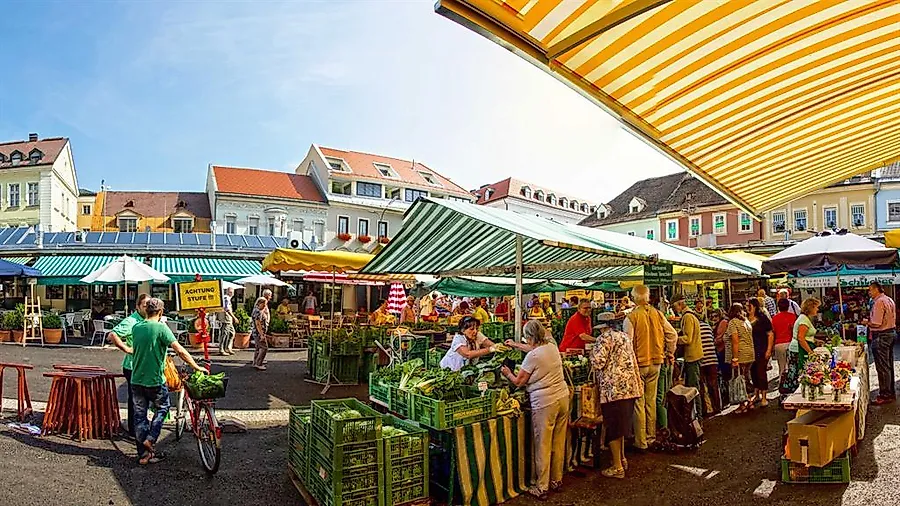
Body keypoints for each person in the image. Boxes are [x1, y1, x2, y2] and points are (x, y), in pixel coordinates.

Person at [125, 298, 205, 464]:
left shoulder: (136, 327)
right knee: (163, 407)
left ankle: (144, 455)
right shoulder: (161, 328)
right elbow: (180, 350)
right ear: (160, 312)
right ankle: (152, 438)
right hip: (154, 379)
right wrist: (196, 366)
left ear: (146, 310)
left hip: (136, 379)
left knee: (139, 416)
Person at [501, 320, 569, 496]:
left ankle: (541, 486)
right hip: (563, 397)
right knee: (558, 441)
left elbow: (519, 381)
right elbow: (534, 349)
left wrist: (507, 373)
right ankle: (556, 480)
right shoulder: (552, 347)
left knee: (543, 444)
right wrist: (515, 345)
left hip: (546, 402)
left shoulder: (533, 357)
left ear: (530, 337)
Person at [589, 313, 642, 479]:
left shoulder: (604, 338)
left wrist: (591, 354)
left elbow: (598, 362)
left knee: (613, 428)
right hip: (631, 387)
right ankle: (622, 459)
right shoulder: (625, 337)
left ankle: (617, 467)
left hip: (614, 390)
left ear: (603, 327)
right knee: (621, 427)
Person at [624, 285, 676, 450]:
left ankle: (641, 441)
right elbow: (672, 335)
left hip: (639, 364)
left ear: (633, 298)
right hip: (656, 362)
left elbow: (628, 344)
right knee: (651, 401)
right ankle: (651, 436)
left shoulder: (631, 318)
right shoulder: (658, 314)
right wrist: (669, 352)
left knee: (639, 403)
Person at [106, 293, 149, 438]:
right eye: (144, 306)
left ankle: (140, 426)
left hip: (145, 366)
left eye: (149, 305)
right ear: (137, 307)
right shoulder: (131, 321)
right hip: (132, 366)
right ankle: (133, 429)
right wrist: (127, 349)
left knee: (144, 398)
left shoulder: (150, 320)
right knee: (135, 399)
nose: (147, 308)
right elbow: (112, 335)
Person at [780, 298, 821, 395]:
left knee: (795, 372)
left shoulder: (804, 318)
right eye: (816, 307)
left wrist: (816, 341)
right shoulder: (803, 319)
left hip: (798, 348)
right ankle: (792, 394)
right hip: (798, 349)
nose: (817, 309)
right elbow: (801, 338)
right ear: (811, 307)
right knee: (796, 372)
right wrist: (810, 352)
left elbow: (806, 336)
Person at [865, 282, 896, 405]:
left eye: (870, 290)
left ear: (876, 290)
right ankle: (890, 392)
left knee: (883, 367)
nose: (869, 293)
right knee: (888, 365)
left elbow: (876, 323)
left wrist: (866, 322)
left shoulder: (878, 302)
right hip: (890, 333)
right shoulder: (888, 299)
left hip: (882, 336)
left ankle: (885, 395)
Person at [672, 295, 702, 413]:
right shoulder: (690, 315)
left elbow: (688, 338)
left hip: (692, 356)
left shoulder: (687, 317)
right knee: (693, 386)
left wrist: (675, 338)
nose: (675, 310)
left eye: (675, 306)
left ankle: (697, 417)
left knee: (693, 388)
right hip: (694, 355)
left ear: (680, 304)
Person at [726, 303, 755, 413]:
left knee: (740, 379)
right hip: (750, 353)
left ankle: (742, 404)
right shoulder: (746, 321)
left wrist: (735, 358)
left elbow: (735, 340)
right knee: (746, 377)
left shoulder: (733, 322)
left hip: (741, 354)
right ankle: (750, 401)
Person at [746, 298, 774, 407]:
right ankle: (756, 394)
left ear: (755, 306)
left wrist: (768, 350)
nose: (748, 308)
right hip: (750, 351)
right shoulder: (746, 319)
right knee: (753, 372)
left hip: (761, 349)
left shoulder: (763, 318)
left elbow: (770, 334)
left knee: (761, 372)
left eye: (750, 306)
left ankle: (764, 396)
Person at [770, 298, 797, 387]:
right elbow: (794, 330)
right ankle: (791, 384)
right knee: (791, 366)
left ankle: (782, 385)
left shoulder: (774, 318)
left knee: (781, 366)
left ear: (778, 307)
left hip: (778, 344)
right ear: (788, 306)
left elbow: (773, 332)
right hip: (790, 343)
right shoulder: (792, 316)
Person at [698, 313, 720, 416]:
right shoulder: (707, 327)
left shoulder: (695, 327)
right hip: (712, 358)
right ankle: (717, 407)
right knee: (713, 384)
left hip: (702, 359)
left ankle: (705, 409)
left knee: (702, 385)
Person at [711, 308, 731, 406]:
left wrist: (714, 341)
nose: (714, 318)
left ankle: (728, 395)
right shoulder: (718, 324)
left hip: (723, 350)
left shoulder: (723, 323)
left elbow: (721, 337)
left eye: (716, 316)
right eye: (712, 316)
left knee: (725, 373)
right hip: (720, 350)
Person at [251, 297, 270, 370]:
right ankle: (258, 363)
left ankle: (255, 362)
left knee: (258, 348)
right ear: (259, 303)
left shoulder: (257, 310)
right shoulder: (257, 311)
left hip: (257, 332)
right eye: (264, 304)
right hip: (258, 333)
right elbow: (258, 324)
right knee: (264, 347)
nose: (265, 306)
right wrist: (262, 334)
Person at [219, 287, 237, 356]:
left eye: (232, 292)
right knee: (224, 334)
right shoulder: (226, 298)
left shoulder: (227, 298)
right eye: (231, 292)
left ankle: (228, 348)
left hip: (228, 319)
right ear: (228, 292)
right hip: (226, 319)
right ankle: (222, 349)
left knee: (232, 333)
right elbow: (227, 309)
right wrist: (234, 317)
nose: (232, 294)